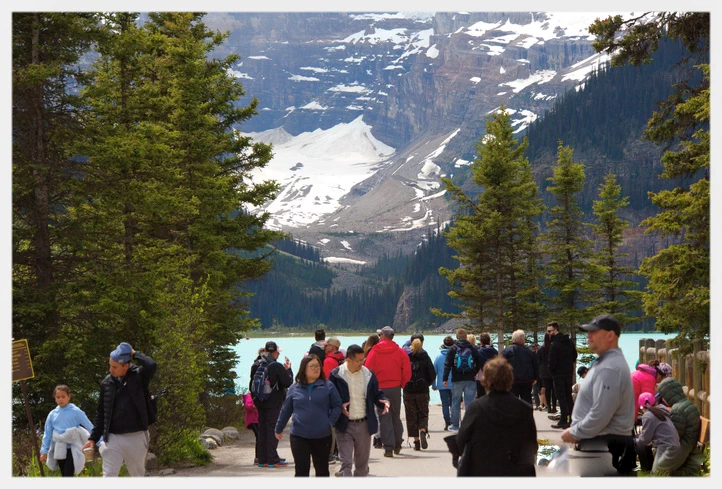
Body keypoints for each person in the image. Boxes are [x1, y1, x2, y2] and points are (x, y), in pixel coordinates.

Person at [561, 314, 637, 475]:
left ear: (610, 335)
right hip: (601, 447)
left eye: (594, 332)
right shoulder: (607, 363)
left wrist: (574, 432)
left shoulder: (610, 368)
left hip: (603, 449)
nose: (589, 335)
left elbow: (601, 413)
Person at [83, 342, 157, 477]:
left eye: (115, 367)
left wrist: (134, 354)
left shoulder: (139, 376)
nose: (111, 370)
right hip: (112, 438)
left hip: (136, 436)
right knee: (109, 476)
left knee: (137, 475)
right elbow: (101, 413)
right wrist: (93, 438)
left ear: (126, 366)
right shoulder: (106, 384)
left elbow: (151, 365)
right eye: (110, 365)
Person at [455, 356, 538, 476]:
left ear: (486, 379)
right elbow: (532, 444)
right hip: (517, 471)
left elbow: (461, 441)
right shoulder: (525, 408)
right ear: (510, 379)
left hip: (482, 470)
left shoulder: (476, 407)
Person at [275, 354, 342, 477]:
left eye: (318, 366)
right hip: (299, 436)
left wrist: (330, 422)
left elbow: (337, 405)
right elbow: (286, 410)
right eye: (312, 366)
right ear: (304, 369)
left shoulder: (328, 386)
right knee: (301, 471)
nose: (316, 369)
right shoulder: (294, 388)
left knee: (322, 471)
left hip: (322, 435)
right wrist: (278, 428)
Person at [328, 344, 390, 477]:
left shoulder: (368, 374)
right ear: (348, 360)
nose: (362, 363)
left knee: (362, 466)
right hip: (344, 424)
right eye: (358, 360)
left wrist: (384, 400)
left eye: (363, 359)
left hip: (364, 424)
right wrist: (339, 407)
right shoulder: (336, 375)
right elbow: (330, 398)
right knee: (346, 464)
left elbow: (376, 393)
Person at [364, 325, 411, 457]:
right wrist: (402, 383)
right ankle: (397, 443)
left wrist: (372, 387)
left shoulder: (374, 351)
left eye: (380, 335)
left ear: (383, 336)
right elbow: (407, 370)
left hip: (380, 388)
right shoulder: (400, 351)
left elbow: (367, 371)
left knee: (384, 417)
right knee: (396, 415)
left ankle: (388, 447)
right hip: (395, 387)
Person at [250, 340, 293, 468]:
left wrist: (255, 399)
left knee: (262, 430)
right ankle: (273, 458)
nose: (278, 355)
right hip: (273, 402)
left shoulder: (257, 364)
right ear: (274, 352)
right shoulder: (276, 366)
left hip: (260, 402)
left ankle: (262, 459)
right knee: (273, 429)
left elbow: (251, 384)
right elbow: (288, 383)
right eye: (278, 353)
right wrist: (289, 370)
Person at [40, 384, 94, 476]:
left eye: (63, 397)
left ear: (69, 396)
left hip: (73, 448)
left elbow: (90, 426)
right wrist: (44, 451)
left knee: (68, 475)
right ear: (55, 398)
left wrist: (100, 441)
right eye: (58, 397)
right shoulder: (52, 414)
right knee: (64, 474)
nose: (60, 399)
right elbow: (47, 433)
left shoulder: (76, 411)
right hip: (59, 448)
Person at [656, 377, 703, 475]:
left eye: (663, 396)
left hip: (682, 447)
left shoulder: (677, 410)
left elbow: (675, 436)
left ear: (668, 395)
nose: (663, 399)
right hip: (690, 443)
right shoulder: (687, 404)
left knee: (658, 470)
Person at [634, 392, 686, 475]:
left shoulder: (648, 416)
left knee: (657, 475)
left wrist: (633, 441)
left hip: (666, 448)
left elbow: (644, 439)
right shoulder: (661, 409)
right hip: (674, 445)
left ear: (641, 407)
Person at [442, 328, 483, 431]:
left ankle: (455, 425)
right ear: (466, 336)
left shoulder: (453, 349)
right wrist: (474, 373)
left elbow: (447, 364)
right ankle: (469, 426)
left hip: (456, 379)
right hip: (470, 378)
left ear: (457, 337)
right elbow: (479, 362)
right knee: (469, 402)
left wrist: (445, 378)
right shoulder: (473, 348)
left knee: (455, 402)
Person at [402, 334, 436, 451]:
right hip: (422, 390)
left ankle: (416, 441)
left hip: (408, 390)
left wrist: (403, 384)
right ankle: (422, 429)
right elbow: (432, 373)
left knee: (411, 415)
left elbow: (402, 372)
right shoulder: (425, 356)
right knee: (423, 412)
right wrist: (427, 384)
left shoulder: (406, 356)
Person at [547, 321, 577, 429]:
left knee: (561, 396)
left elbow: (552, 361)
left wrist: (551, 370)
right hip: (568, 373)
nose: (548, 333)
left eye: (549, 331)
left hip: (558, 374)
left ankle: (563, 420)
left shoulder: (554, 344)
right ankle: (572, 420)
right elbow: (574, 355)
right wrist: (568, 365)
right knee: (568, 396)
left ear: (555, 330)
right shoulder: (569, 341)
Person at [502, 329, 539, 405]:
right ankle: (527, 416)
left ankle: (513, 416)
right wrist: (535, 377)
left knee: (512, 402)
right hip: (526, 380)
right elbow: (535, 366)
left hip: (512, 380)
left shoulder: (507, 351)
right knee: (527, 401)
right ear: (523, 340)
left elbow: (501, 364)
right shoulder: (530, 352)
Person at [323, 337, 344, 464]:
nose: (325, 347)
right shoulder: (340, 359)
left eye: (327, 345)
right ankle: (337, 452)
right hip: (339, 395)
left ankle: (330, 454)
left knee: (330, 426)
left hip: (330, 397)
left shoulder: (329, 361)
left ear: (333, 348)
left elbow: (326, 381)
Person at [432, 336, 455, 430]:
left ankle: (447, 421)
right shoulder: (455, 356)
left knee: (445, 404)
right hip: (454, 383)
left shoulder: (438, 357)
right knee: (454, 403)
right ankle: (454, 422)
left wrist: (434, 384)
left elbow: (434, 372)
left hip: (442, 385)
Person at [537, 328, 557, 414]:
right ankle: (554, 406)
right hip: (553, 371)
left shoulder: (541, 349)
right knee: (554, 390)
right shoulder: (553, 347)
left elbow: (538, 361)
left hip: (544, 372)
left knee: (547, 390)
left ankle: (549, 406)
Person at [474, 332, 497, 398]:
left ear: (481, 341)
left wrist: (474, 374)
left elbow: (477, 365)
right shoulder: (495, 351)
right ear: (489, 340)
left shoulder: (478, 352)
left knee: (481, 399)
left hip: (481, 378)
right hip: (492, 378)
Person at [242, 391, 260, 464]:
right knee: (259, 436)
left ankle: (261, 456)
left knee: (260, 437)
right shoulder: (250, 395)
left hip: (257, 419)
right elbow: (248, 406)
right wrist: (255, 406)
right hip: (252, 420)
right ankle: (257, 457)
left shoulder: (258, 395)